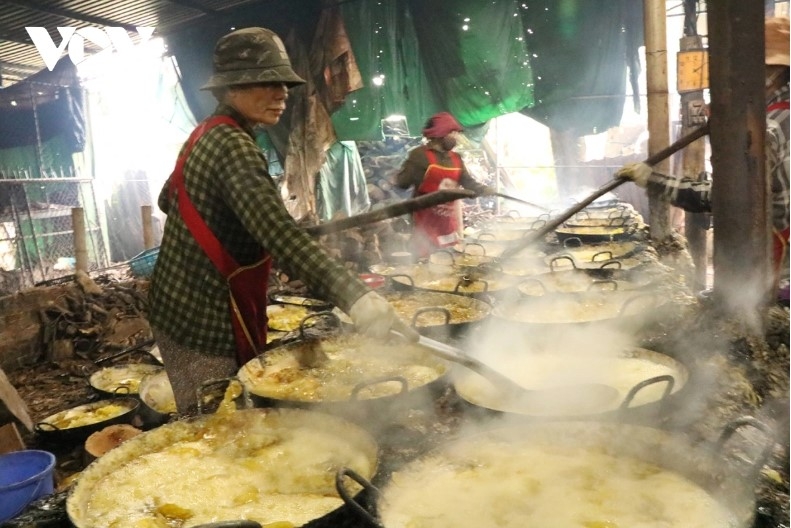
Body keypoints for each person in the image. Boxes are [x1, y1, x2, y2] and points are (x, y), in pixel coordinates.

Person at [149, 27, 417, 414]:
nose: (282, 93)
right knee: (218, 425)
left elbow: (166, 198)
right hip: (200, 317)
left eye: (284, 84)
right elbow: (279, 235)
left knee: (225, 415)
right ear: (231, 87)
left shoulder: (204, 134)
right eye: (267, 82)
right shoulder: (233, 145)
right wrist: (356, 298)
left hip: (175, 304)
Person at [617, 16, 790, 300]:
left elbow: (723, 197)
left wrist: (653, 180)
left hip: (777, 271)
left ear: (774, 72)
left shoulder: (769, 128)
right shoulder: (775, 116)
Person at [394, 112, 493, 257]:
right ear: (441, 134)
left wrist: (484, 190)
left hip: (448, 226)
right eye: (453, 133)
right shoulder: (420, 156)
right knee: (425, 267)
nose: (457, 138)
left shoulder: (456, 158)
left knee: (450, 262)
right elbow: (403, 183)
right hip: (424, 227)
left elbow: (468, 182)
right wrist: (402, 175)